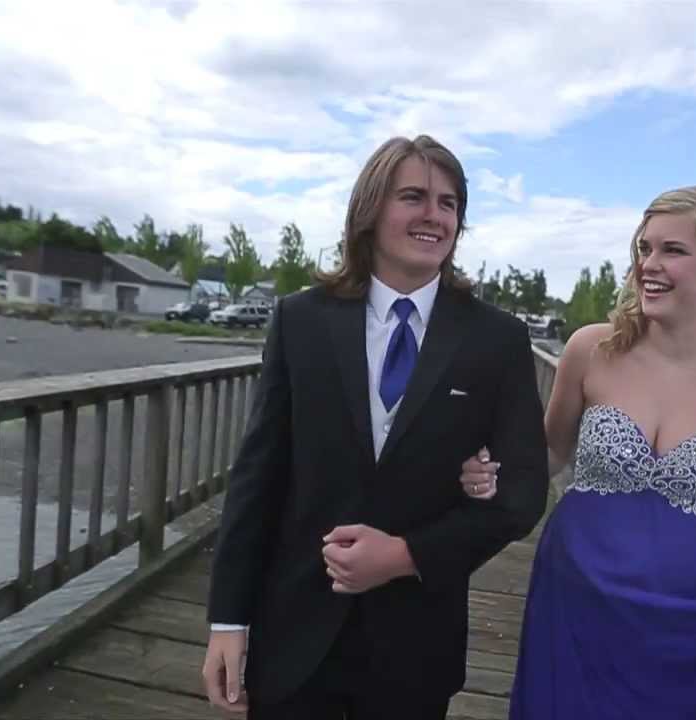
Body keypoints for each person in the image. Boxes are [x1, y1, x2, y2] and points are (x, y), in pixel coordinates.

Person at [202, 134, 550, 719]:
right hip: (293, 630)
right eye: (413, 196)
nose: (434, 215)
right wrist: (228, 620)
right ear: (369, 209)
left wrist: (405, 555)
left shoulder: (498, 340)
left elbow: (522, 495)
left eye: (448, 203)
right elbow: (257, 477)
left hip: (415, 642)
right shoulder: (300, 320)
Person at [461, 186, 696, 719]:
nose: (648, 265)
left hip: (686, 604)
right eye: (644, 248)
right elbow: (549, 452)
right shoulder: (591, 349)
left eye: (672, 250)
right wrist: (490, 472)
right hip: (577, 585)